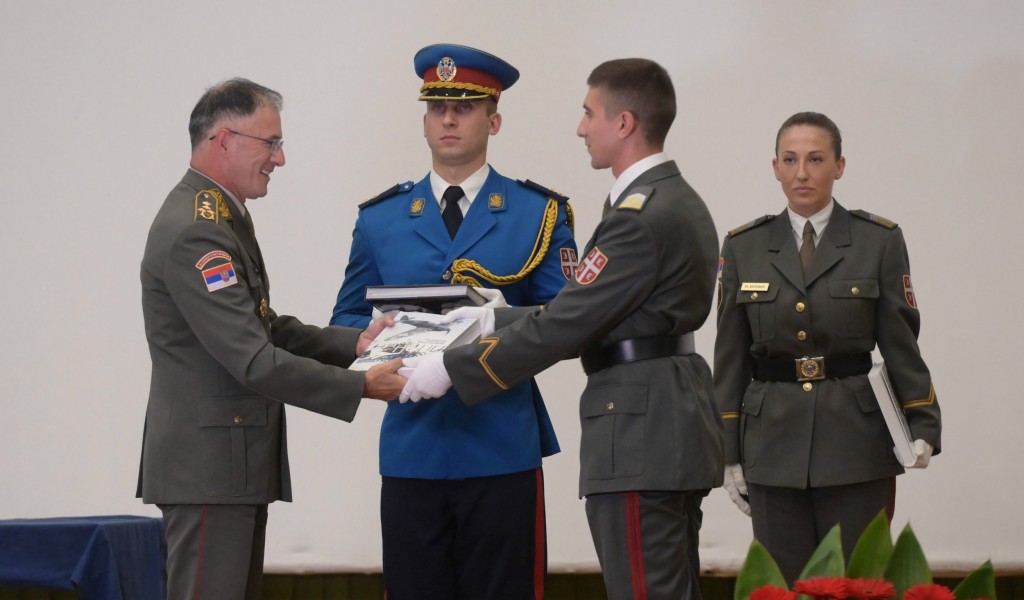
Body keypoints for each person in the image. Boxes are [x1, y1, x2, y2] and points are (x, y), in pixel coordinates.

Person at [401, 58, 723, 600]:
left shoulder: (638, 217)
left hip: (639, 431)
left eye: (588, 113)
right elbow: (590, 309)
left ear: (623, 124)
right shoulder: (668, 199)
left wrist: (450, 366)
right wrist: (492, 316)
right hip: (665, 418)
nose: (580, 127)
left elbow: (569, 324)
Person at [137, 77, 405, 600]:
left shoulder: (220, 215)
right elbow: (254, 360)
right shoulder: (198, 227)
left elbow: (262, 324)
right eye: (271, 143)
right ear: (224, 140)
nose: (279, 159)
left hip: (223, 466)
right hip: (209, 470)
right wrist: (361, 387)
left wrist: (354, 345)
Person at [329, 44, 578, 599]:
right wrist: (373, 344)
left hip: (499, 438)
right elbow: (346, 316)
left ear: (494, 119)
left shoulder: (538, 213)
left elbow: (570, 321)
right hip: (412, 444)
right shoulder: (381, 218)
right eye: (438, 106)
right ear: (423, 120)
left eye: (465, 106)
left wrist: (497, 319)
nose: (448, 118)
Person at [713, 111, 942, 583]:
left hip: (856, 441)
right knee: (786, 584)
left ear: (839, 166)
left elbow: (901, 344)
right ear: (774, 167)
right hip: (771, 445)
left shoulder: (878, 241)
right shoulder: (744, 246)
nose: (802, 172)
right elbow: (730, 358)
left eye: (816, 159)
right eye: (790, 159)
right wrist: (727, 450)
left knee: (857, 583)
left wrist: (922, 419)